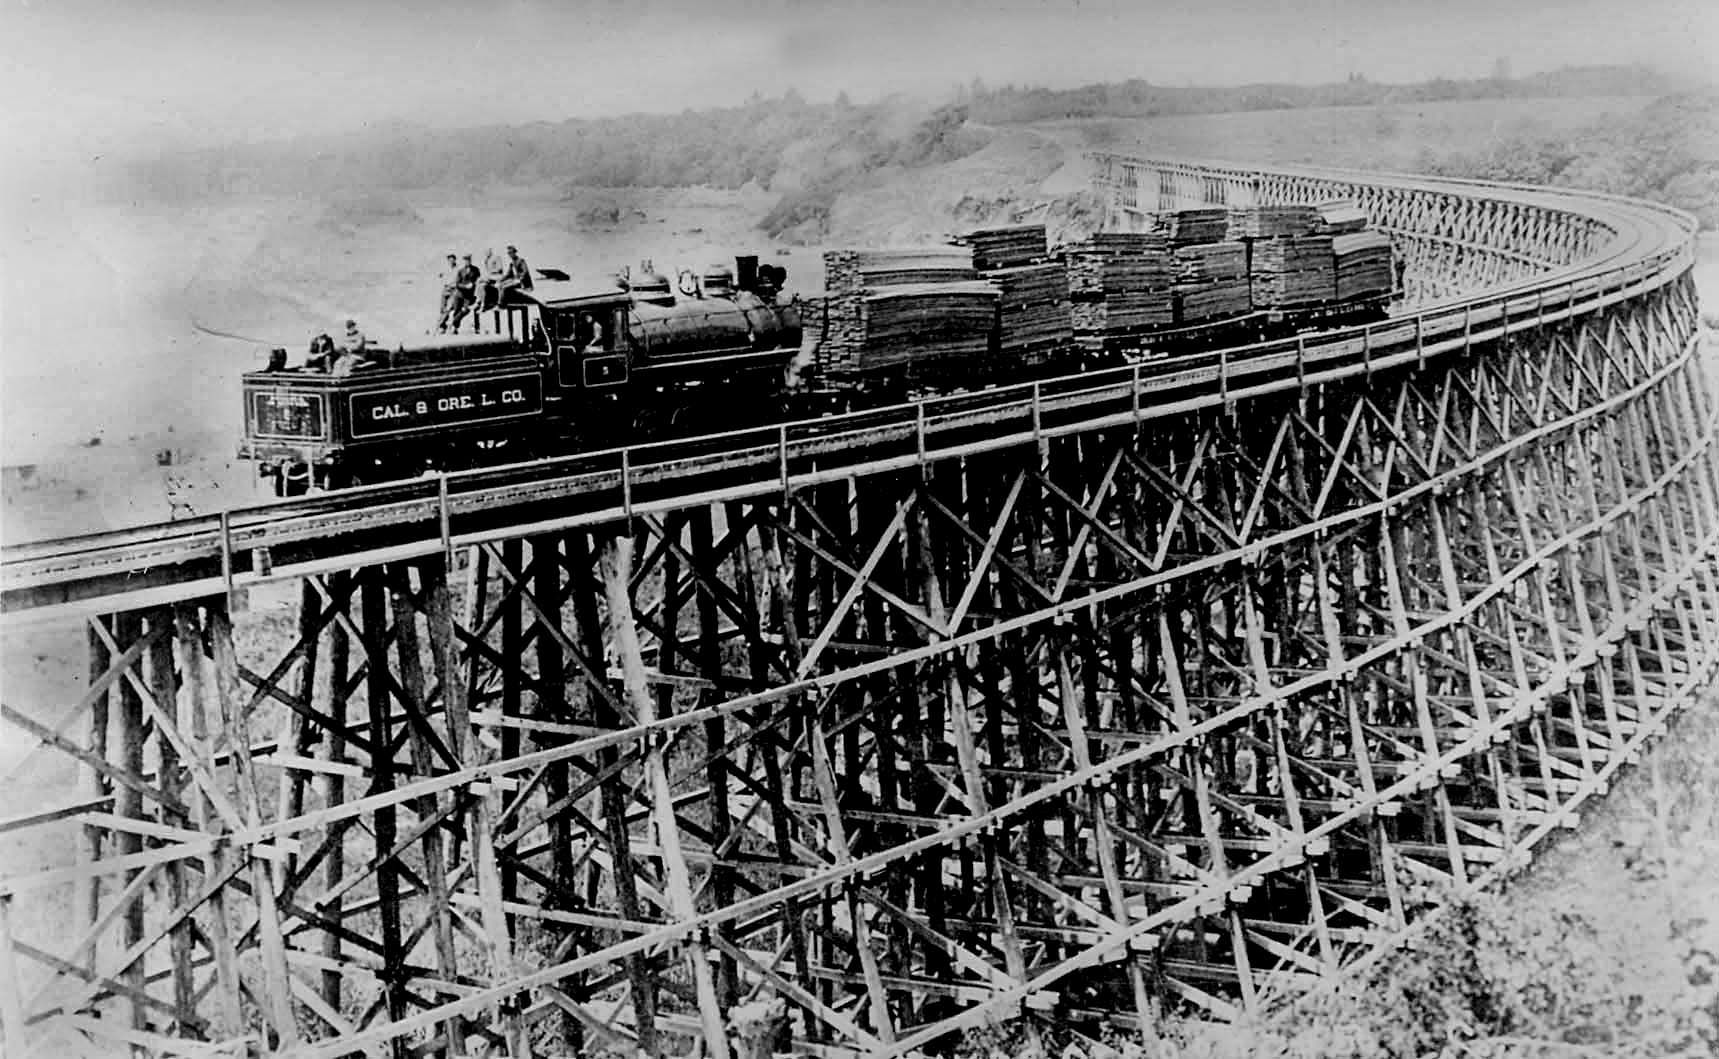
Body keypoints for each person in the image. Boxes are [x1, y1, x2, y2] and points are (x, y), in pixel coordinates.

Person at [446, 254, 481, 334]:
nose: (467, 261)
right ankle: (455, 328)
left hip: (469, 296)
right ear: (464, 261)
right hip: (459, 294)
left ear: (470, 260)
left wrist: (473, 285)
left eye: (469, 260)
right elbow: (457, 284)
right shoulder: (461, 271)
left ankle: (453, 323)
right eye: (466, 260)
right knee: (456, 310)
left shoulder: (475, 270)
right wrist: (465, 286)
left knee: (466, 310)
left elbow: (478, 280)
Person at [435, 253, 459, 332]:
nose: (450, 261)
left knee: (449, 308)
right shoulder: (445, 268)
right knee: (442, 308)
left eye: (452, 260)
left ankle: (441, 325)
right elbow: (439, 275)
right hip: (446, 289)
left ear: (455, 260)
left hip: (453, 289)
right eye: (449, 260)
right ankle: (443, 326)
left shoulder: (458, 269)